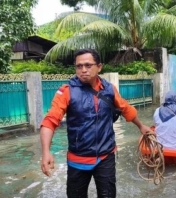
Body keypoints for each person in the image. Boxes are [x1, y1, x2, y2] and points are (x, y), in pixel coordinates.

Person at [39, 48, 152, 198]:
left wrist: (141, 126)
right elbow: (50, 121)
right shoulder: (66, 91)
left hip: (106, 156)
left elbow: (125, 109)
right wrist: (46, 152)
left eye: (88, 65)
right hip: (77, 159)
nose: (83, 70)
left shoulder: (109, 89)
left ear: (99, 67)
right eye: (79, 66)